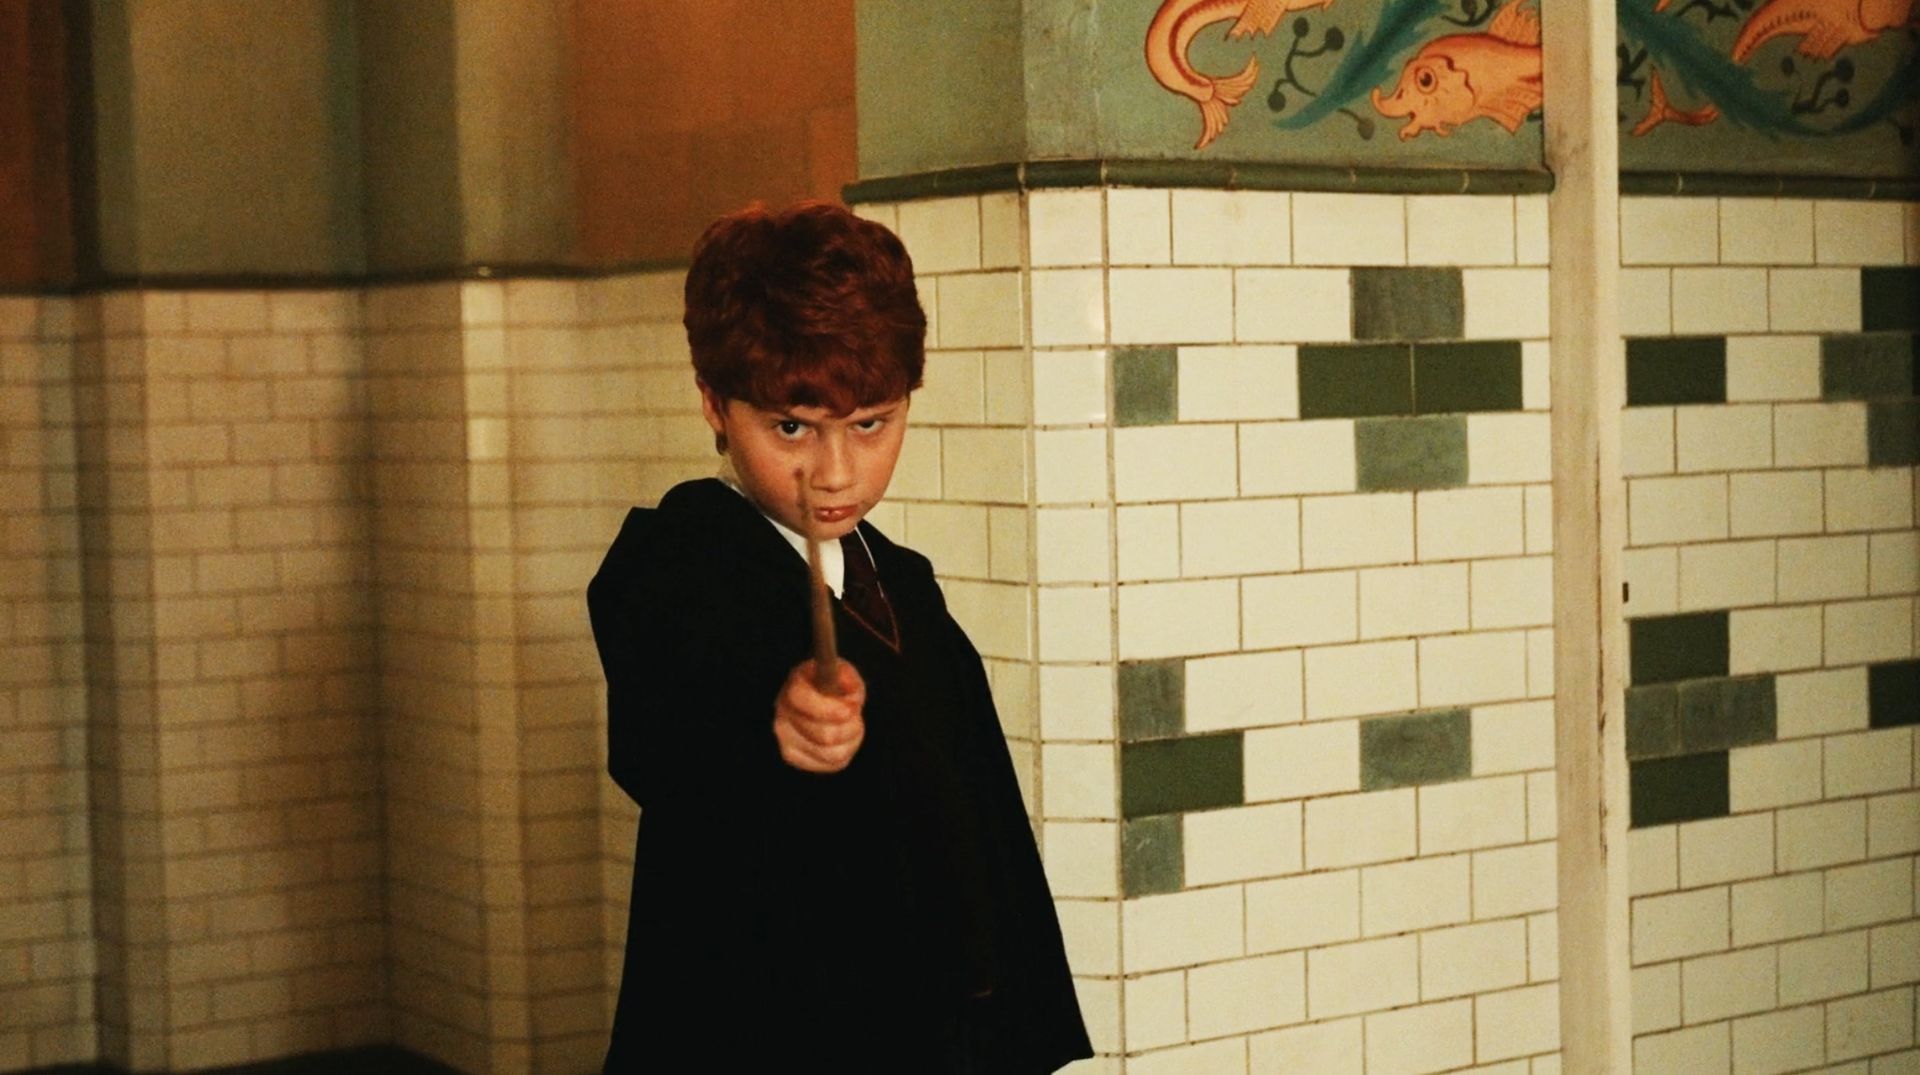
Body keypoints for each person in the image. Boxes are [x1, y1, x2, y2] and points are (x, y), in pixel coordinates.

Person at [588, 201, 1091, 1074]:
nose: (835, 471)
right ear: (714, 403)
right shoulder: (680, 560)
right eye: (792, 426)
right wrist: (775, 718)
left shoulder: (903, 584)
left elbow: (978, 833)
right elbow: (672, 704)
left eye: (871, 423)